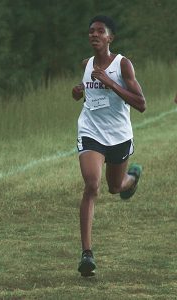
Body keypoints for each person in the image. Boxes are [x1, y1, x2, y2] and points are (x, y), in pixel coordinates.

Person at [72, 15, 146, 277]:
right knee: (92, 185)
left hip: (119, 136)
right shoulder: (86, 64)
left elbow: (141, 104)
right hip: (91, 132)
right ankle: (87, 255)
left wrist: (111, 84)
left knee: (115, 187)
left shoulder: (123, 65)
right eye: (90, 31)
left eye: (99, 31)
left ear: (109, 38)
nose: (93, 34)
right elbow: (87, 88)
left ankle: (131, 179)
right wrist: (79, 90)